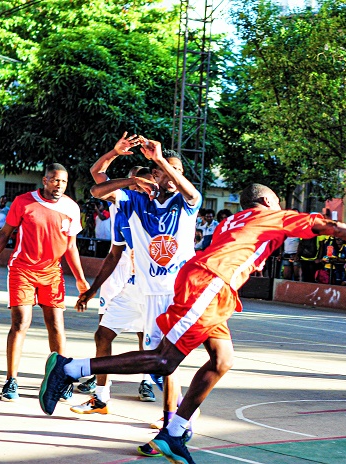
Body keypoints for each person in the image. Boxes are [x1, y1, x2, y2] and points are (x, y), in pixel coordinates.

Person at [39, 183, 346, 463]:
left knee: (222, 359)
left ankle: (174, 432)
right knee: (165, 360)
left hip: (212, 285)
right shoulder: (273, 216)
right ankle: (70, 368)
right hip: (210, 283)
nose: (282, 209)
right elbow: (333, 228)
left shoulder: (234, 220)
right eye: (278, 203)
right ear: (267, 202)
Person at [88, 138, 201, 455]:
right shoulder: (137, 200)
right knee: (109, 336)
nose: (173, 175)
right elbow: (97, 188)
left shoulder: (186, 203)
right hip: (139, 287)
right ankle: (105, 396)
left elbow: (191, 192)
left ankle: (174, 424)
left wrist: (162, 160)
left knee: (162, 363)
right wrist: (129, 175)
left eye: (178, 170)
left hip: (171, 294)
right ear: (154, 176)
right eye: (165, 170)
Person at [0, 163, 89, 401]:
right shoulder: (24, 202)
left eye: (63, 182)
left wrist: (81, 279)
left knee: (56, 326)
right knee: (21, 322)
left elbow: (71, 246)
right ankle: (11, 380)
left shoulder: (71, 208)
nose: (59, 185)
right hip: (22, 269)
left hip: (52, 273)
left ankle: (58, 380)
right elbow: (4, 234)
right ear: (45, 180)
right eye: (55, 180)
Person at [72, 135, 157, 407]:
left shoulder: (161, 207)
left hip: (151, 278)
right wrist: (115, 152)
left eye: (141, 181)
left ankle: (149, 383)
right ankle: (100, 384)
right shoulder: (121, 204)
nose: (135, 185)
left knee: (149, 336)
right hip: (123, 272)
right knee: (104, 328)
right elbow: (97, 178)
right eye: (132, 181)